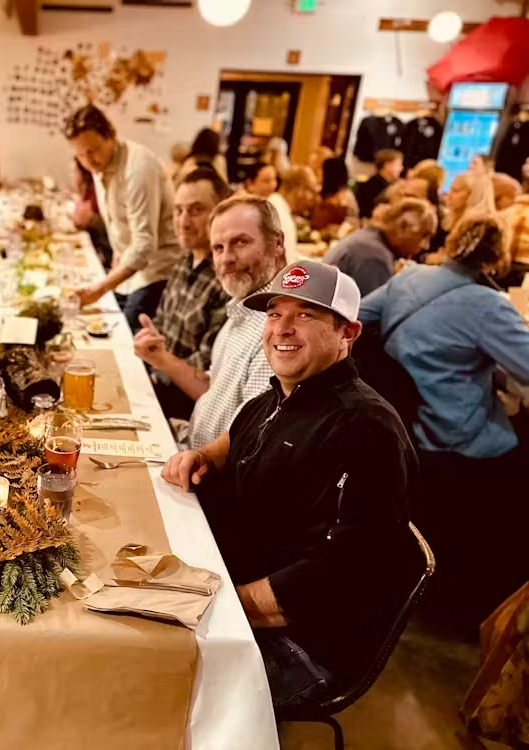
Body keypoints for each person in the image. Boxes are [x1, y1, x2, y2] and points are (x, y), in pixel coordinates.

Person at [162, 260, 417, 707]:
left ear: (348, 334)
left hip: (303, 643)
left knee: (138, 666)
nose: (283, 328)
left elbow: (338, 575)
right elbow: (234, 442)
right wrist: (200, 456)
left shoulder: (366, 429)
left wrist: (217, 608)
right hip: (238, 589)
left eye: (306, 315)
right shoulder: (278, 396)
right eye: (276, 314)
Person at [359, 216, 529, 629]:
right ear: (496, 261)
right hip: (460, 437)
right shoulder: (487, 306)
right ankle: (487, 605)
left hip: (408, 426)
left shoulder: (407, 279)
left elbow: (354, 319)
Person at [179, 195, 285, 449]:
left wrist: (197, 457)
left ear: (277, 243)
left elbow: (250, 436)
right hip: (188, 451)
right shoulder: (241, 310)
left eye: (240, 242)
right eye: (218, 248)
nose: (226, 258)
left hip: (207, 478)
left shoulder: (277, 329)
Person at [64, 105, 182, 331]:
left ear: (110, 135)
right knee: (92, 323)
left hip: (157, 272)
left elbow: (144, 244)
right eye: (80, 154)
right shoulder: (100, 166)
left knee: (123, 335)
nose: (88, 160)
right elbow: (118, 226)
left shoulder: (137, 168)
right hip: (131, 271)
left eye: (93, 150)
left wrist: (101, 288)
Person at [132, 168, 233, 420]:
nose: (184, 221)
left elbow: (208, 371)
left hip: (188, 409)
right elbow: (162, 326)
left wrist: (160, 363)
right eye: (178, 210)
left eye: (196, 210)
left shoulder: (228, 278)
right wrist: (150, 343)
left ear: (221, 212)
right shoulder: (183, 260)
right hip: (157, 384)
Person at [324, 198, 436, 297]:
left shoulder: (369, 240)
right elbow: (372, 314)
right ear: (403, 227)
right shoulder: (374, 256)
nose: (426, 246)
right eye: (424, 236)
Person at [270, 166, 318, 263]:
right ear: (300, 189)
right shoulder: (281, 218)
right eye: (311, 192)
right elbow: (287, 265)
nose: (313, 199)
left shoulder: (273, 205)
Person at [72, 157, 113, 270]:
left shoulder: (94, 192)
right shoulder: (86, 190)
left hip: (105, 252)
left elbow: (80, 220)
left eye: (74, 171)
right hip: (100, 248)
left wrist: (91, 219)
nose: (73, 175)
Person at [311, 158, 359, 237]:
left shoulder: (346, 197)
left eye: (321, 169)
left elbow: (352, 223)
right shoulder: (318, 194)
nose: (318, 172)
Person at [355, 149, 404, 220]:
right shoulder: (371, 186)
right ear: (387, 165)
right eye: (398, 164)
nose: (401, 168)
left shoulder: (388, 184)